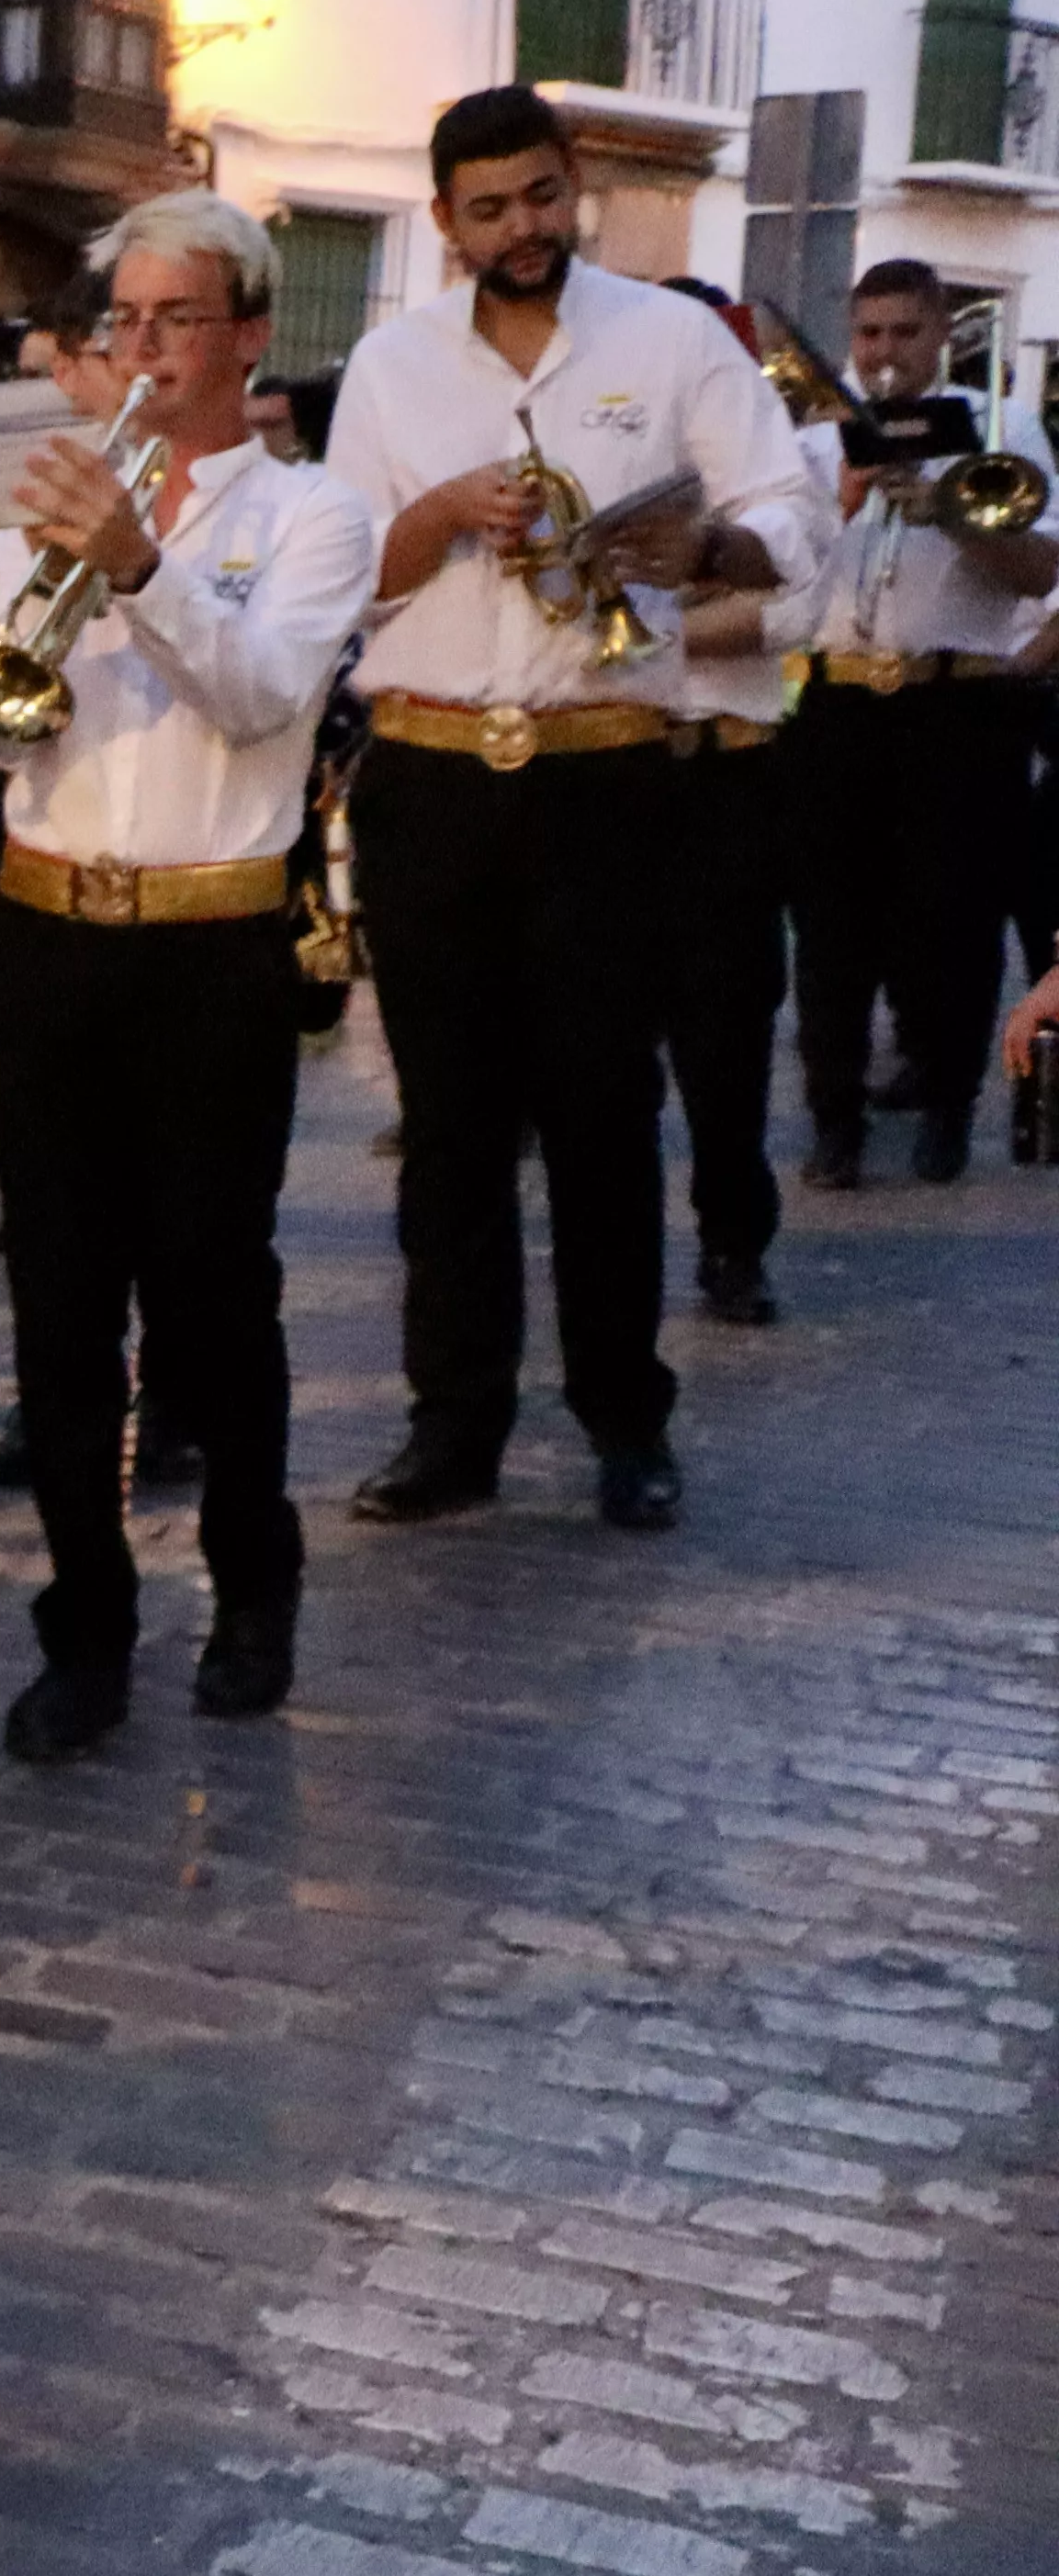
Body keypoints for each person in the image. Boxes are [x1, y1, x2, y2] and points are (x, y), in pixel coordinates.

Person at [324, 87, 814, 1535]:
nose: (522, 230)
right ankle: (451, 1426)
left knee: (605, 1116)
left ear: (573, 182)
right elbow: (345, 571)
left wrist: (712, 541)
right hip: (429, 775)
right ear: (444, 223)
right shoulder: (390, 364)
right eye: (489, 211)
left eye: (541, 198)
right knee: (452, 1125)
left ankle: (625, 1422)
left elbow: (791, 511)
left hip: (608, 776)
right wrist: (436, 518)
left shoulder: (670, 341)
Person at [0, 198, 373, 1759]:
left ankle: (254, 1582)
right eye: (123, 321)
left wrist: (135, 566)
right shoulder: (35, 491)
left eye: (176, 321)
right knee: (58, 1308)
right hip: (47, 923)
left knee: (209, 1296)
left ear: (249, 335)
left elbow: (261, 699)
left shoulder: (314, 516)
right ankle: (86, 1626)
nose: (143, 350)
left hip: (212, 940)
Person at [796, 258, 1057, 1189]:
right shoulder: (820, 440)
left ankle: (947, 1107)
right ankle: (835, 1119)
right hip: (838, 697)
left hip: (960, 699)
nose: (885, 352)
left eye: (905, 332)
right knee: (831, 924)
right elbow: (782, 576)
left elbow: (1040, 573)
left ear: (942, 333)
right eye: (869, 333)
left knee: (953, 919)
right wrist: (845, 501)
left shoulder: (1001, 428)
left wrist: (948, 508)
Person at [651, 278, 823, 1323]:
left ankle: (732, 1241)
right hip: (612, 767)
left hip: (724, 764)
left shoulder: (769, 463)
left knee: (727, 1030)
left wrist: (658, 618)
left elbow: (791, 610)